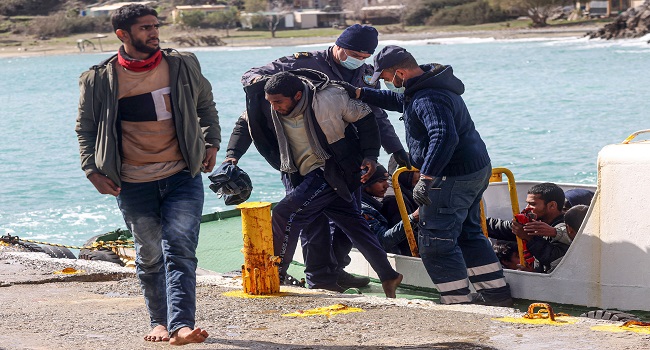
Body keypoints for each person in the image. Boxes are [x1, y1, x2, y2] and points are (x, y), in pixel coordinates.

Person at [75, 4, 220, 345]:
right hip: (132, 181)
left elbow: (205, 104)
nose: (154, 32)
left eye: (155, 26)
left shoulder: (182, 64)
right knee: (150, 254)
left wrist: (211, 141)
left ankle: (182, 324)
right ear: (122, 35)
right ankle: (158, 321)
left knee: (180, 249)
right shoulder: (99, 79)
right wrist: (91, 170)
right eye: (145, 28)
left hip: (182, 174)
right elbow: (86, 128)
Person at [233, 24, 410, 290]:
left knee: (349, 219)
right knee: (313, 222)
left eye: (364, 57)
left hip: (344, 158)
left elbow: (374, 115)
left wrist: (395, 150)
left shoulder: (364, 74)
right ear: (338, 46)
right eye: (353, 54)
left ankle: (334, 271)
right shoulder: (305, 64)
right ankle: (320, 278)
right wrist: (264, 91)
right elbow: (253, 77)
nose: (358, 61)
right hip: (300, 157)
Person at [343, 45, 512, 306]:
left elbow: (443, 135)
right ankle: (496, 294)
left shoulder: (428, 97)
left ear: (399, 73)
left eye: (386, 78)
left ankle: (458, 303)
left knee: (436, 241)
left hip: (450, 177)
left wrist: (428, 176)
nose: (387, 83)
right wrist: (359, 93)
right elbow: (400, 102)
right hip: (474, 170)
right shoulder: (426, 87)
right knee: (468, 233)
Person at [487, 183, 572, 273]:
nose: (527, 208)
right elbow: (505, 228)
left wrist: (529, 237)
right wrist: (477, 221)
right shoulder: (536, 222)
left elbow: (556, 259)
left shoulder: (568, 227)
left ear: (552, 205)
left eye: (532, 204)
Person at [361, 163, 418, 255]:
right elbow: (382, 241)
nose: (387, 185)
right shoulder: (364, 210)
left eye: (386, 180)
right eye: (380, 181)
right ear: (365, 183)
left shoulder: (374, 204)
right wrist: (413, 218)